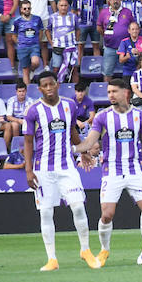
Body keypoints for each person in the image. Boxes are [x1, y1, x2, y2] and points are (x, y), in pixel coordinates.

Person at [23, 70, 100, 271]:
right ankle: (52, 259)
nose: (49, 88)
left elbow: (72, 131)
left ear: (57, 84)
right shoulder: (33, 111)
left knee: (78, 206)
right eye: (44, 86)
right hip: (43, 170)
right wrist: (28, 170)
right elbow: (28, 142)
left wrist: (82, 151)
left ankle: (85, 250)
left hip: (67, 166)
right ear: (39, 89)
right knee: (46, 213)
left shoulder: (69, 105)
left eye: (51, 84)